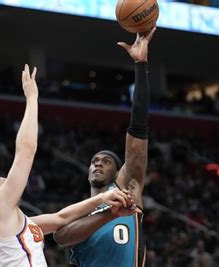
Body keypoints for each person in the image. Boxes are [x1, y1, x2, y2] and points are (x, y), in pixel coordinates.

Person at [0, 64, 133, 267]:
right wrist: (32, 98)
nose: (3, 177)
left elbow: (61, 218)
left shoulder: (8, 222)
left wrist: (103, 199)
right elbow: (26, 151)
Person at [53, 27, 156, 267]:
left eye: (106, 161)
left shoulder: (127, 188)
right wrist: (108, 212)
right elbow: (60, 236)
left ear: (118, 171)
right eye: (94, 161)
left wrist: (141, 66)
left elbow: (139, 132)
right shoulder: (78, 211)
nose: (97, 163)